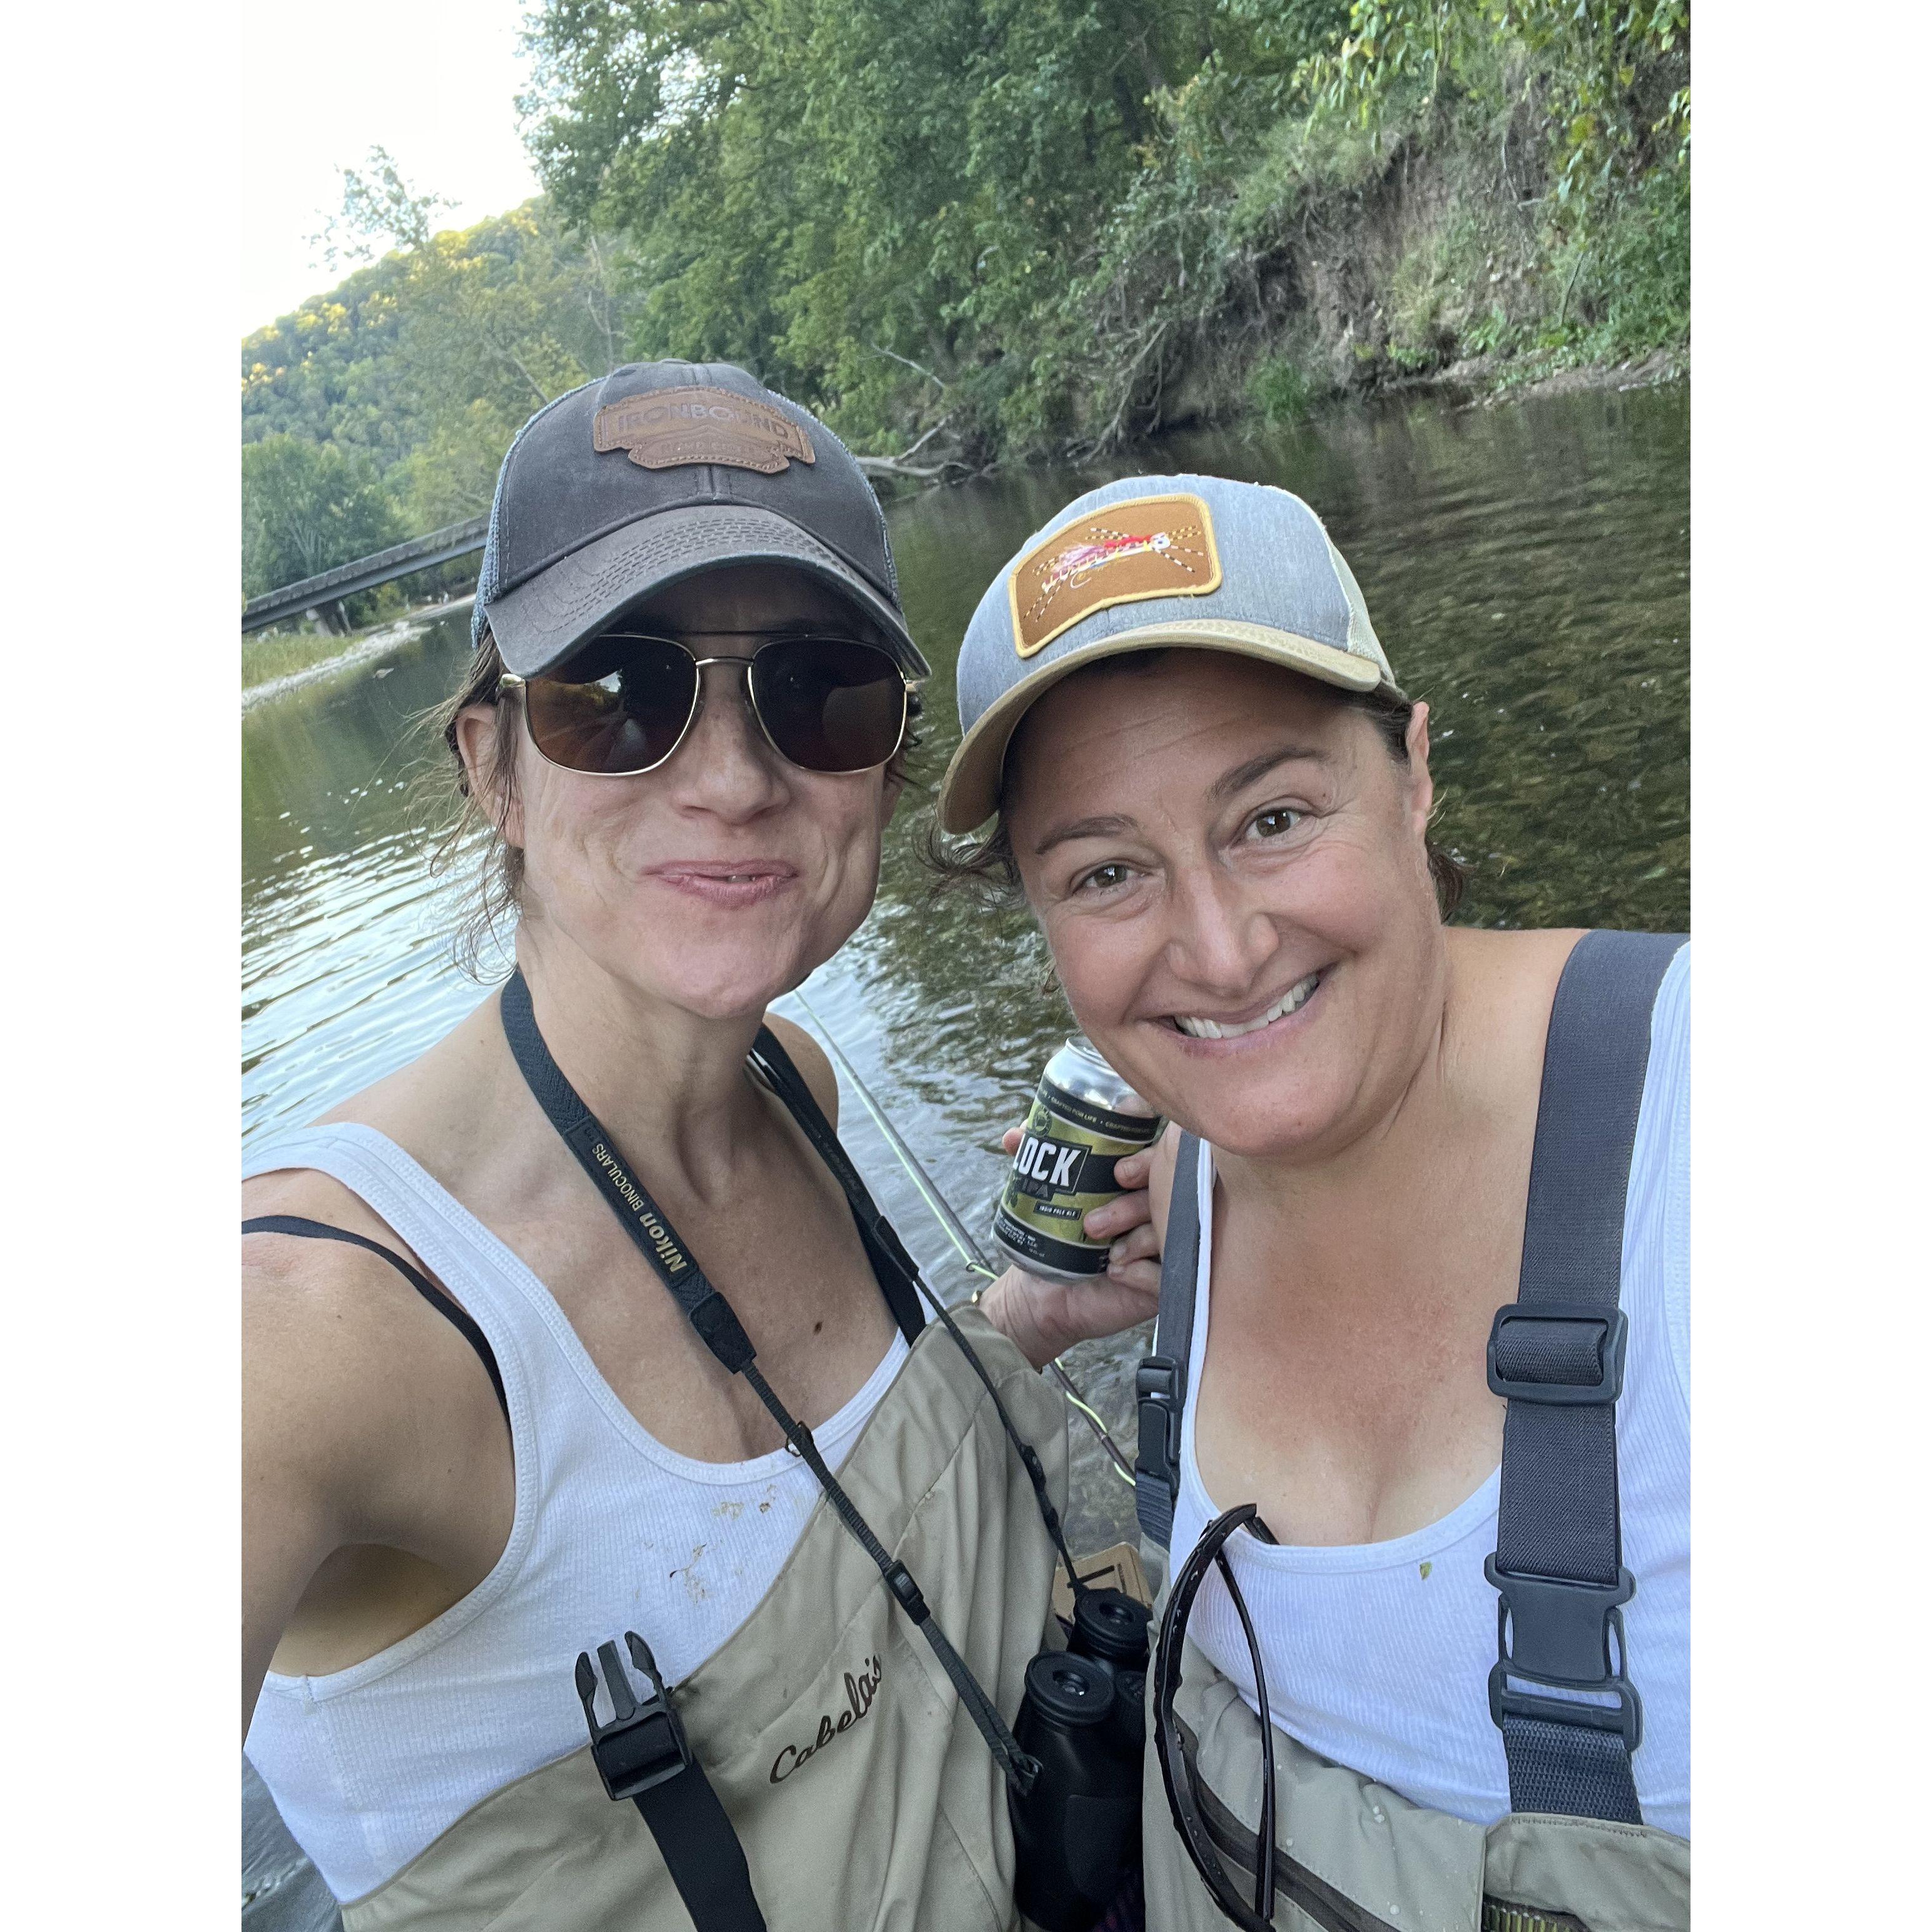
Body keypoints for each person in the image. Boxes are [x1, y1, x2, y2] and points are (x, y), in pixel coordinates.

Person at [241, 362, 1160, 1931]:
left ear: (883, 762)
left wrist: (1022, 1324)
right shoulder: (316, 1326)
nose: (734, 778)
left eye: (817, 690)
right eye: (617, 693)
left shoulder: (787, 1075)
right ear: (493, 765)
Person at [932, 475, 1689, 1931]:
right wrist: (1032, 1313)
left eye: (1271, 814)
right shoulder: (1175, 1187)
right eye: (1104, 871)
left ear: (1412, 769)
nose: (1215, 949)